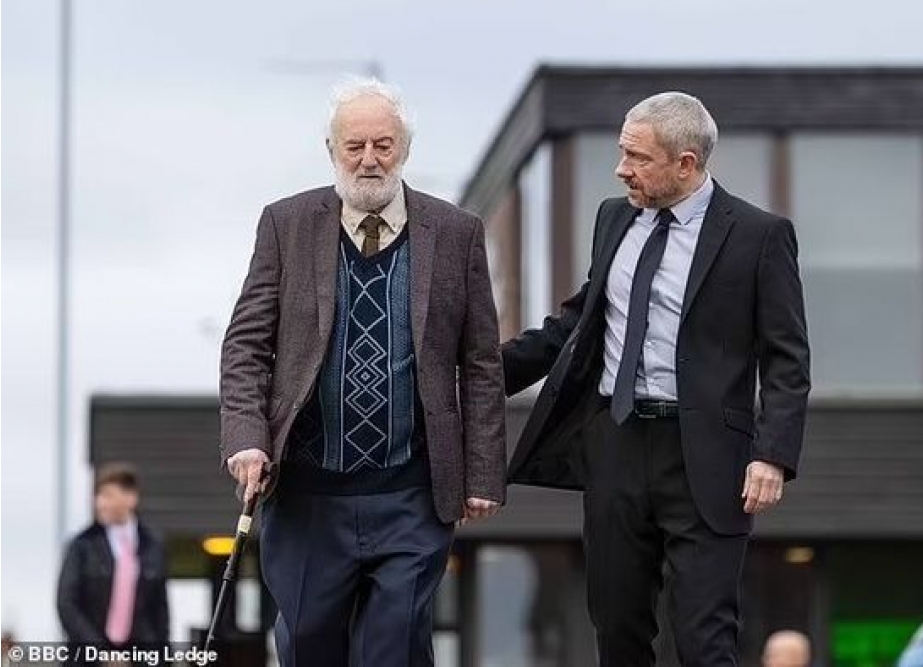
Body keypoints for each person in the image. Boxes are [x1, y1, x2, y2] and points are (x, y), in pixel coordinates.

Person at [502, 91, 811, 666]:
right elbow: (576, 323)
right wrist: (480, 375)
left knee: (702, 639)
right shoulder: (614, 218)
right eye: (622, 152)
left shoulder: (758, 236)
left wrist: (772, 454)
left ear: (686, 163)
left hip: (707, 459)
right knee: (617, 629)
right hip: (615, 443)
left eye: (638, 157)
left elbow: (787, 357)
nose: (622, 169)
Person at [219, 78, 506, 666]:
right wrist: (247, 439)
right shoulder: (286, 224)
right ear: (332, 150)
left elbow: (480, 362)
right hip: (306, 494)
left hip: (412, 491)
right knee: (307, 644)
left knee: (393, 647)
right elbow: (246, 345)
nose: (369, 159)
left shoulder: (456, 233)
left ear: (405, 148)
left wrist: (482, 472)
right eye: (355, 146)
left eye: (383, 144)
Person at [56, 463, 170, 652]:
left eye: (108, 495)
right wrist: (100, 650)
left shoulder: (152, 547)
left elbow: (160, 611)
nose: (101, 503)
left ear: (131, 498)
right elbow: (67, 604)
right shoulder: (82, 546)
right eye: (99, 496)